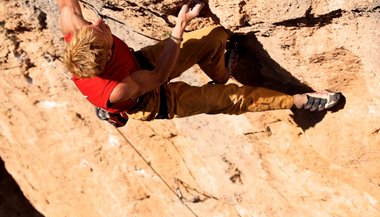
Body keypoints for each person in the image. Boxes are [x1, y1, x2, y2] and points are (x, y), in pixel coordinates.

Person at [57, 0, 341, 127]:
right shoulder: (116, 90)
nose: (99, 22)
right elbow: (158, 76)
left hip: (138, 65)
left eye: (95, 27)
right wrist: (178, 27)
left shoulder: (76, 27)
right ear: (105, 57)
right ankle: (299, 101)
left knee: (216, 36)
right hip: (152, 99)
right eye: (103, 32)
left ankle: (220, 71)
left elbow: (66, 3)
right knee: (229, 99)